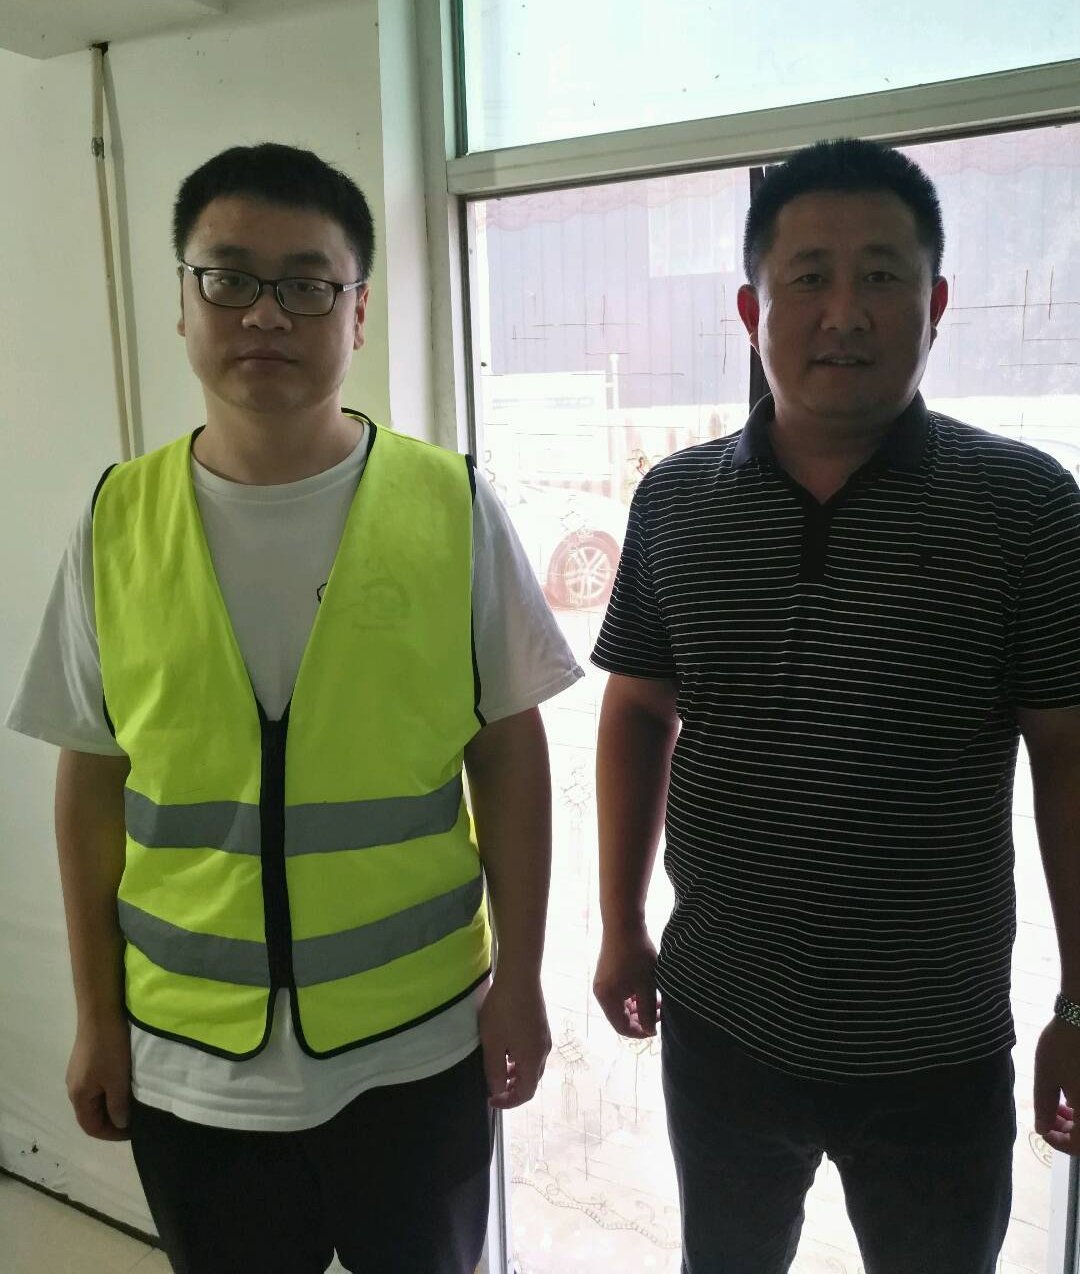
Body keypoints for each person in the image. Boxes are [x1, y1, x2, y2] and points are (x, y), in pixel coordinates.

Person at [6, 143, 582, 1274]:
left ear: (357, 313)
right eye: (229, 277)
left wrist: (520, 980)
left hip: (416, 1048)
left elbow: (510, 757)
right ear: (183, 302)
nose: (265, 313)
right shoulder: (116, 520)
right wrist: (96, 1016)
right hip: (188, 1064)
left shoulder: (452, 506)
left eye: (308, 284)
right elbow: (92, 780)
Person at [590, 138, 1080, 1274]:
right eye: (808, 277)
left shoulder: (1026, 507)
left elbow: (1069, 759)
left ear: (936, 304)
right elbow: (636, 711)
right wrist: (619, 924)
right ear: (751, 309)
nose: (845, 313)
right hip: (721, 1020)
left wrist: (1079, 1003)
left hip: (937, 1047)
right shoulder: (677, 502)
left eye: (883, 276)